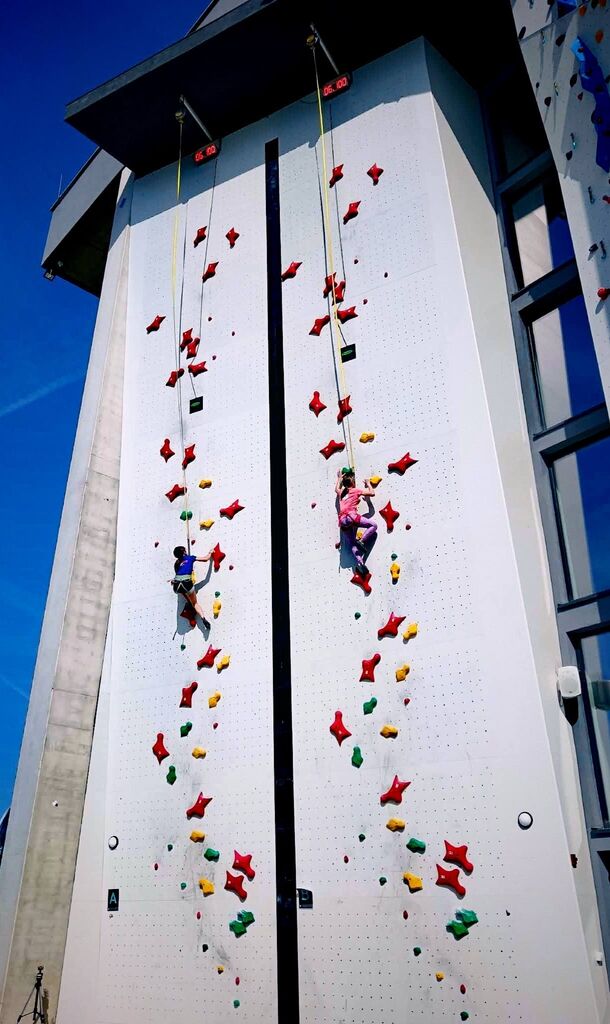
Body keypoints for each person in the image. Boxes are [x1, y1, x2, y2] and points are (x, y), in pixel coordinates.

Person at [335, 467, 377, 571]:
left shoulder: (342, 493)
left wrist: (339, 478)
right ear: (353, 483)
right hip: (351, 517)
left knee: (352, 545)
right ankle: (361, 541)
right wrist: (368, 483)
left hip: (343, 521)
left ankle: (360, 562)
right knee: (373, 525)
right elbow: (372, 493)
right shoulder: (355, 490)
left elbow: (336, 489)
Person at [172, 545, 212, 627]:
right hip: (186, 583)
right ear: (184, 552)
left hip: (176, 585)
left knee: (183, 592)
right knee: (195, 603)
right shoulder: (190, 558)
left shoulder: (176, 563)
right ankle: (203, 618)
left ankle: (189, 601)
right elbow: (206, 559)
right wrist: (210, 552)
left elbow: (178, 573)